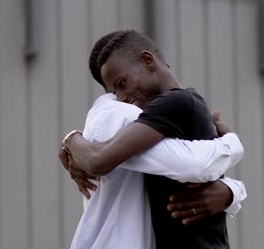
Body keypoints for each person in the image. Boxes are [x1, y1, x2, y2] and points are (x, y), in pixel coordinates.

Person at [62, 30, 246, 249]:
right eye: (114, 93)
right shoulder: (186, 106)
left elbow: (98, 160)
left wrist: (72, 140)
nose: (121, 99)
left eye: (122, 84)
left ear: (147, 60)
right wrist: (232, 191)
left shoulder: (174, 103)